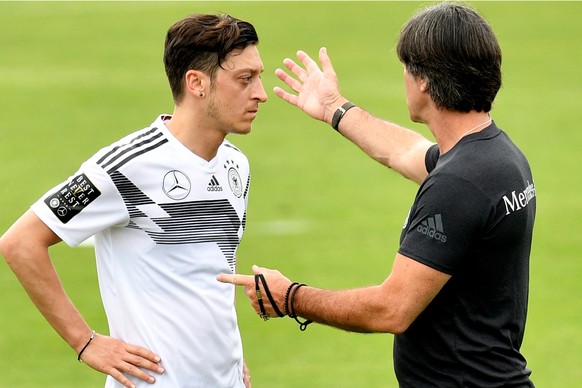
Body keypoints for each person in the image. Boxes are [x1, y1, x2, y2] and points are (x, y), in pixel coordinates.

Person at [218, 2, 536, 387]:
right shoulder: (497, 155)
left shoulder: (459, 184)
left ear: (423, 80)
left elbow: (391, 309)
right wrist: (334, 108)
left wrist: (291, 297)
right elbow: (405, 152)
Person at [0, 13, 267, 388]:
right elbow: (20, 242)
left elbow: (206, 275)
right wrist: (85, 342)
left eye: (258, 77)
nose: (260, 93)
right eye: (245, 79)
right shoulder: (126, 167)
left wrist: (228, 364)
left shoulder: (235, 164)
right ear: (197, 83)